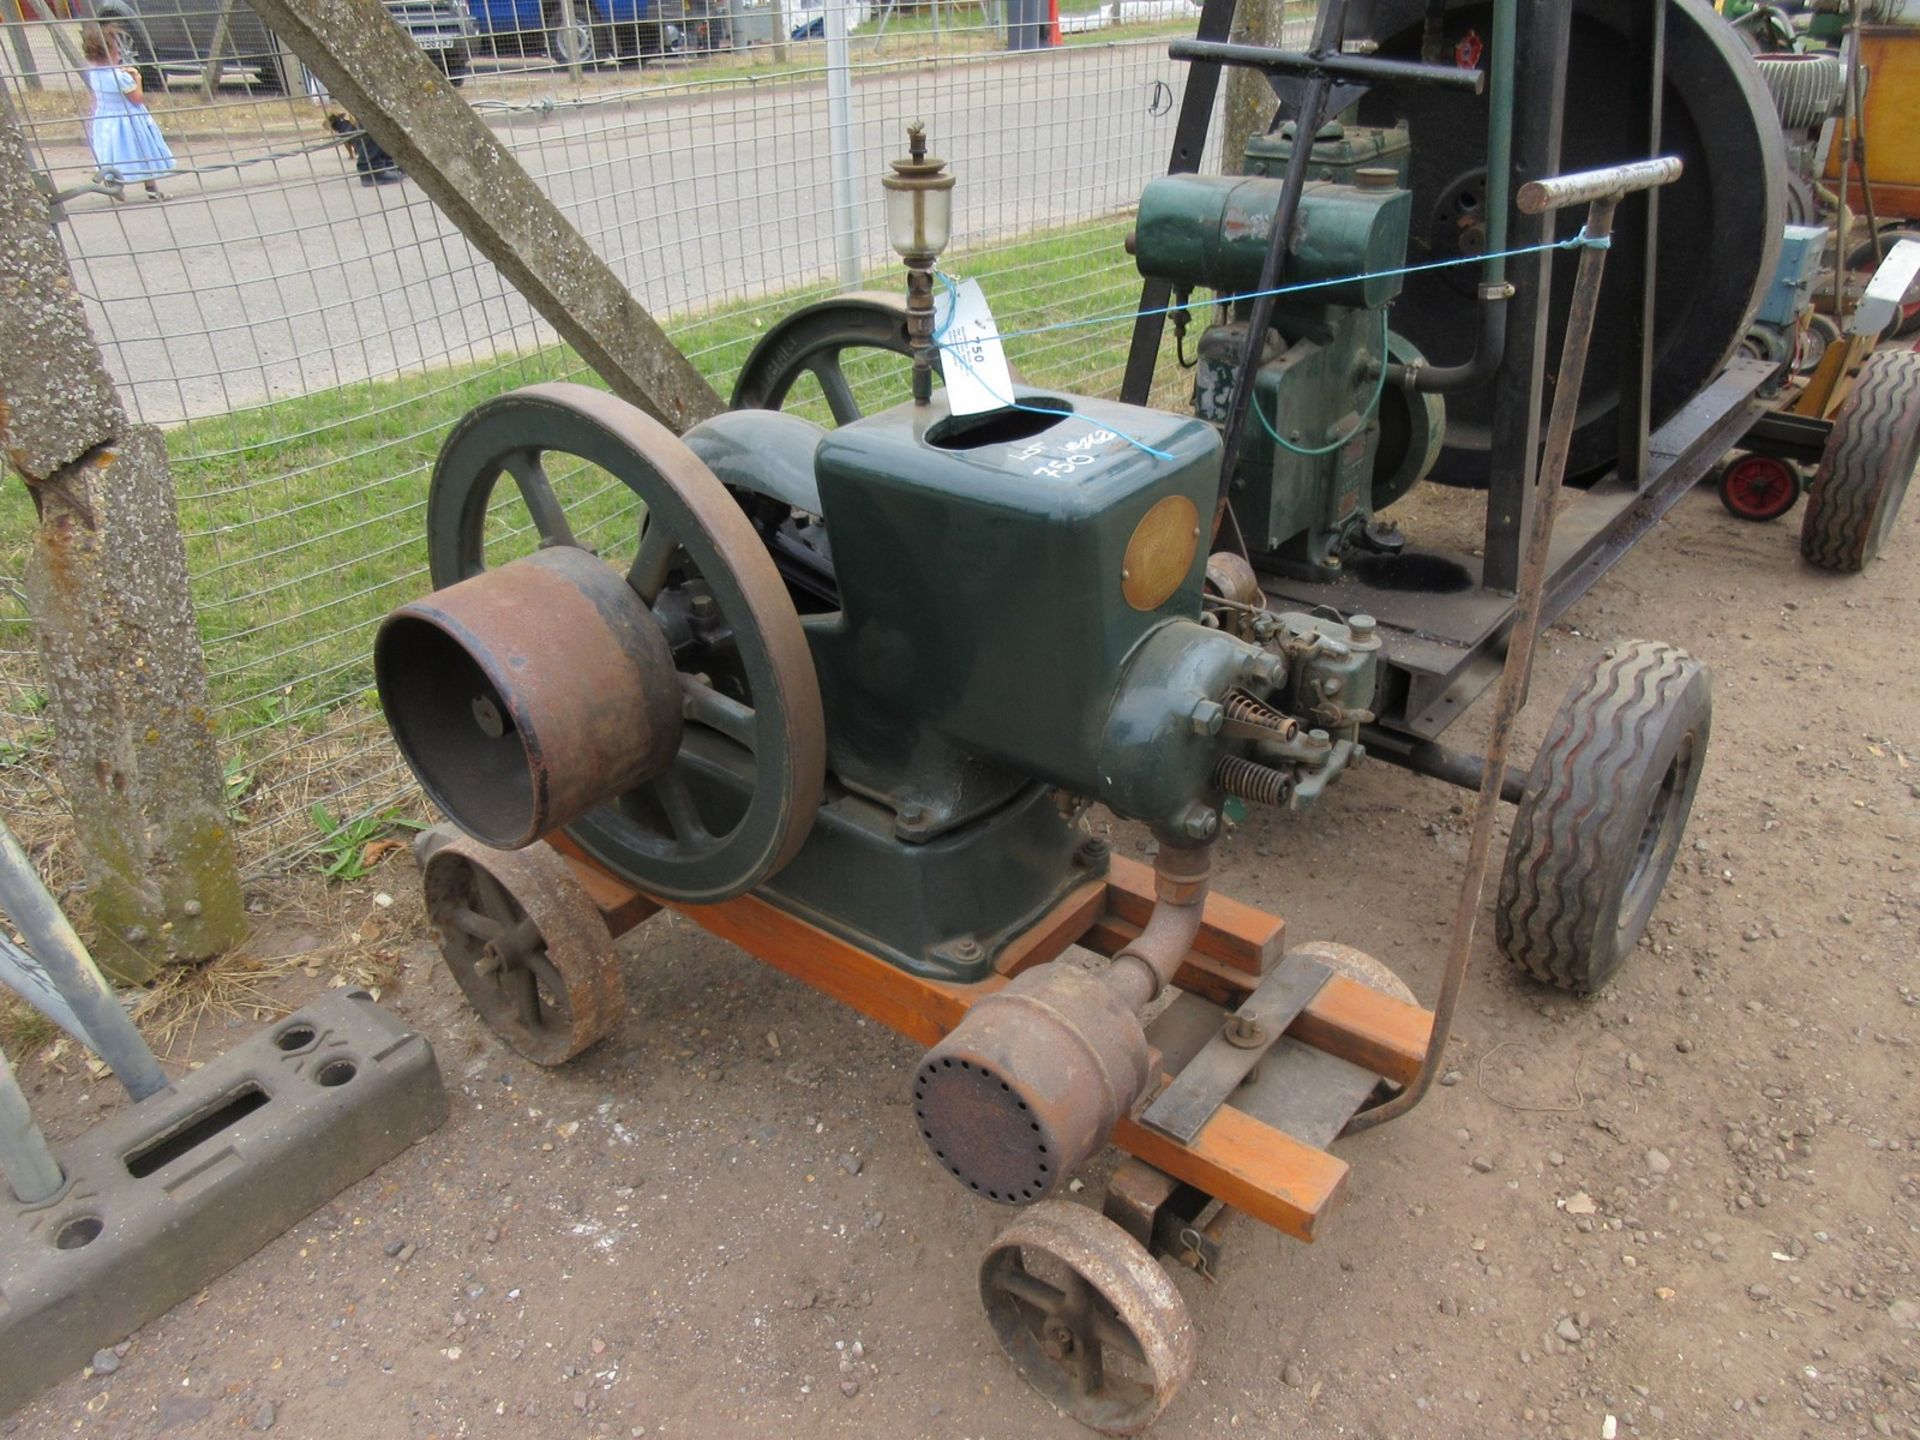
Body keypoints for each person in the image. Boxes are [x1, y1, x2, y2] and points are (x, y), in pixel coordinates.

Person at [80, 22, 174, 202]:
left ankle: (113, 183)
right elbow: (136, 97)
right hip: (129, 120)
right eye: (117, 52)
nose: (119, 56)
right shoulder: (120, 77)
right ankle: (152, 189)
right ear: (110, 54)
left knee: (112, 152)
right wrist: (137, 77)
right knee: (143, 151)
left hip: (106, 119)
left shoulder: (94, 74)